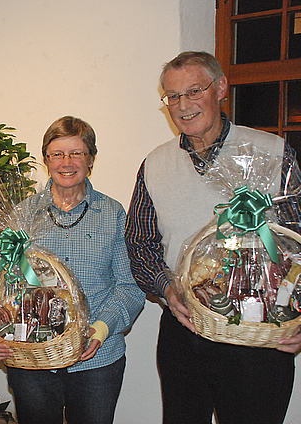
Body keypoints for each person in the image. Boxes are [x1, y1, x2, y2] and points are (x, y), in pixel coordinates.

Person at [125, 51, 301, 424]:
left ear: (220, 88)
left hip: (259, 331)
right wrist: (167, 289)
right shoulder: (155, 164)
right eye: (172, 96)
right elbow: (139, 243)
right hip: (184, 328)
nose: (183, 105)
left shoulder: (272, 153)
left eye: (193, 91)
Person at [0, 116, 145, 424]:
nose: (67, 162)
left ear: (91, 159)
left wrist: (101, 330)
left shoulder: (113, 214)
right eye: (57, 154)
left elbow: (129, 288)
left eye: (77, 153)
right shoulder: (22, 214)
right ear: (46, 159)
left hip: (97, 361)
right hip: (31, 359)